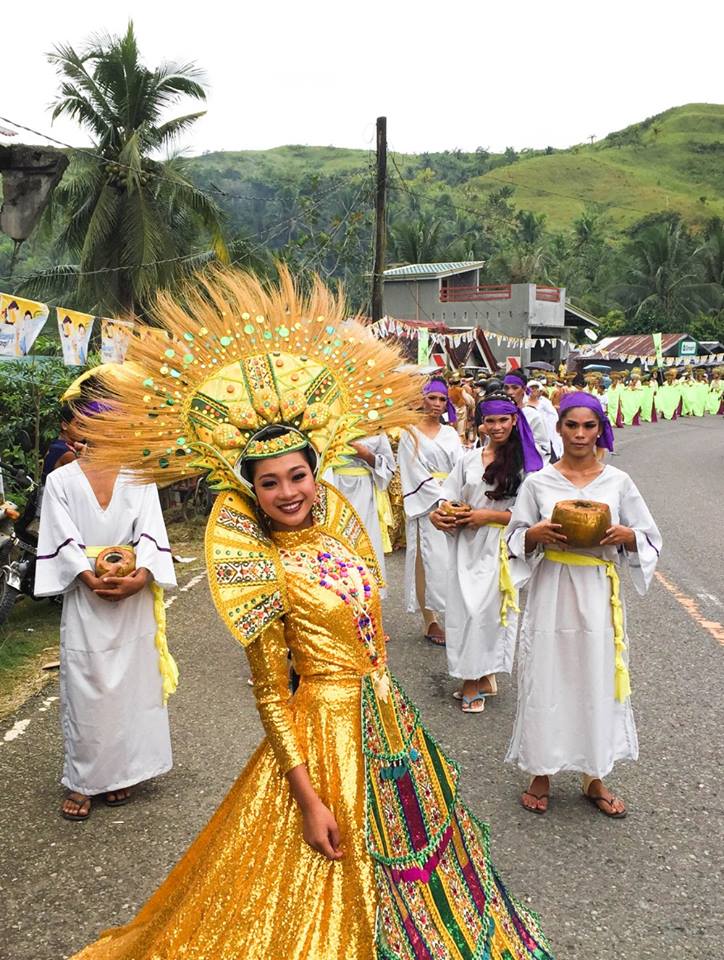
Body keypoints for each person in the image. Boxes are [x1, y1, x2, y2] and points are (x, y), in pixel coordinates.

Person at [67, 268, 554, 960]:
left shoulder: (340, 536)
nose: (288, 491)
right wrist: (308, 797)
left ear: (314, 472)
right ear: (253, 492)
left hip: (387, 722)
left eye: (298, 476)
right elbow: (270, 691)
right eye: (270, 483)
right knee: (310, 878)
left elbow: (374, 639)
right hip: (318, 734)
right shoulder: (256, 565)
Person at [504, 392, 661, 818]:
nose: (579, 434)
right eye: (571, 425)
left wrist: (629, 538)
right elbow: (514, 539)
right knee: (546, 674)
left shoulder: (618, 482)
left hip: (596, 590)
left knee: (595, 677)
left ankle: (594, 774)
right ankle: (541, 771)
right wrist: (535, 535)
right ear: (558, 429)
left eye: (588, 426)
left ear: (599, 430)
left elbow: (649, 537)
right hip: (552, 589)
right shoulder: (538, 483)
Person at [34, 417, 177, 821]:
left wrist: (142, 576)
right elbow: (60, 537)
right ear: (73, 426)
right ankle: (83, 780)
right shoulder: (61, 481)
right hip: (86, 591)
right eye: (85, 419)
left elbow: (150, 533)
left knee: (132, 681)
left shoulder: (138, 476)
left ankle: (122, 771)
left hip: (134, 591)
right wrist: (86, 575)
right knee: (86, 681)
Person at [430, 394, 543, 713]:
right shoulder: (468, 459)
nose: (496, 427)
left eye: (503, 420)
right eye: (490, 420)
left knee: (489, 614)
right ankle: (482, 676)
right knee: (466, 611)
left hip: (502, 548)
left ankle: (472, 681)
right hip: (466, 545)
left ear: (514, 420)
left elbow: (534, 517)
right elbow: (447, 495)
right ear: (481, 423)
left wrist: (488, 516)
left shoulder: (529, 466)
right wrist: (439, 514)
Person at [398, 379, 462, 645]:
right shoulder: (409, 433)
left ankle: (455, 616)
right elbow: (410, 468)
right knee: (425, 559)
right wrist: (438, 498)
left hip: (449, 502)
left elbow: (460, 469)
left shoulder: (451, 434)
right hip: (425, 503)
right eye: (432, 398)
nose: (437, 404)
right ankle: (430, 620)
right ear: (422, 399)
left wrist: (453, 498)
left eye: (442, 400)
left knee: (450, 561)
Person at [324, 433, 396, 594]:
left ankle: (368, 595)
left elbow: (389, 466)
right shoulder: (332, 417)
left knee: (366, 540)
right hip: (335, 486)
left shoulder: (376, 420)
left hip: (365, 492)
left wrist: (367, 455)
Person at [502, 369, 551, 462]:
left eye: (515, 388)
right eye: (506, 388)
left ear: (524, 389)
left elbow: (544, 447)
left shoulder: (532, 415)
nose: (510, 392)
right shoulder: (498, 414)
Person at [40, 403, 85, 483]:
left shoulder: (56, 445)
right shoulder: (66, 454)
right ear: (64, 426)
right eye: (78, 424)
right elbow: (84, 479)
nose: (82, 429)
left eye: (83, 424)